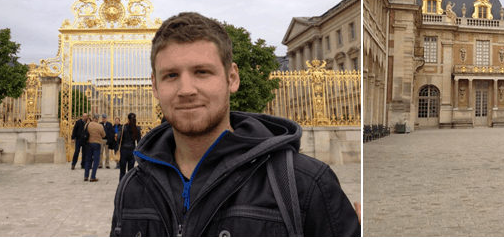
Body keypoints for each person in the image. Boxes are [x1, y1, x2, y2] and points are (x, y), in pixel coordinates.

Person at [110, 12, 360, 236]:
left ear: (232, 78)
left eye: (202, 72)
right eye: (171, 75)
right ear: (155, 85)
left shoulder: (304, 183)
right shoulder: (132, 188)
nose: (186, 90)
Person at [117, 113, 141, 181]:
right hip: (132, 151)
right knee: (130, 171)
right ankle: (128, 186)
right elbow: (139, 141)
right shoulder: (137, 128)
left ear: (127, 119)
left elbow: (118, 138)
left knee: (122, 171)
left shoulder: (122, 127)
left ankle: (121, 186)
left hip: (123, 150)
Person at [84, 115, 105, 182]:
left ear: (93, 118)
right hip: (97, 143)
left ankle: (86, 176)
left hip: (89, 143)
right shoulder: (100, 126)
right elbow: (104, 135)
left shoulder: (87, 125)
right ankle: (93, 176)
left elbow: (85, 132)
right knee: (96, 161)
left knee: (88, 160)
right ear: (97, 119)